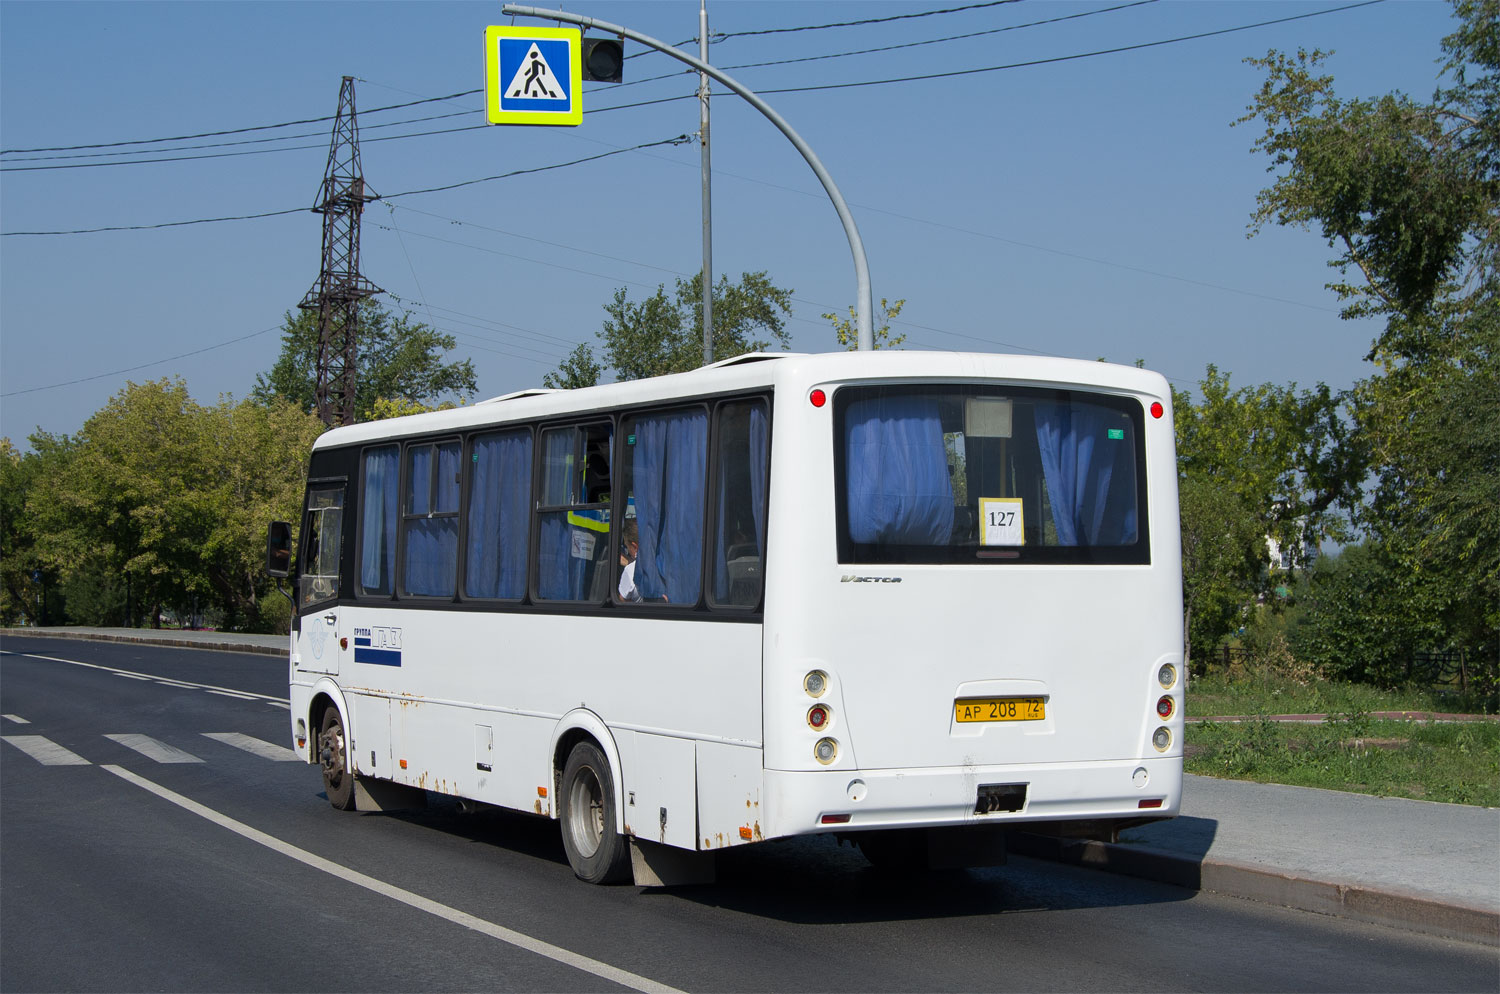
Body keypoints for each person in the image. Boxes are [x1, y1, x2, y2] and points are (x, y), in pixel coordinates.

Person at [618, 518, 642, 602]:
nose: (627, 551)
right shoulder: (663, 562)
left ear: (635, 546)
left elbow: (622, 601)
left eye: (627, 546)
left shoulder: (630, 571)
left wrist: (629, 565)